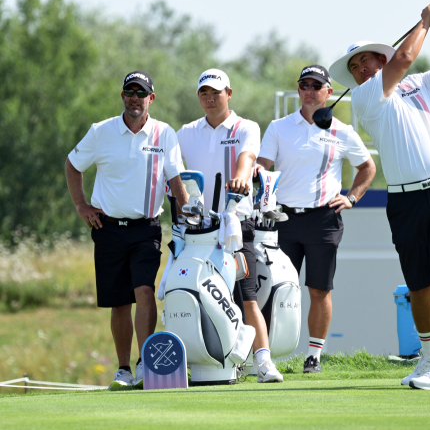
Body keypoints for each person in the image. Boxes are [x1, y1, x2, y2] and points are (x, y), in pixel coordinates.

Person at [329, 2, 430, 390]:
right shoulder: (364, 99)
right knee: (418, 287)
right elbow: (407, 55)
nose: (360, 71)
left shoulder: (421, 83)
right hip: (406, 200)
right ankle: (427, 359)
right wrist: (425, 22)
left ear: (382, 58)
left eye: (365, 62)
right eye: (354, 68)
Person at [65, 71, 189, 390]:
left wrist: (187, 211)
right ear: (123, 96)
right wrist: (81, 206)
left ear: (151, 98)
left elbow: (176, 179)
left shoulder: (165, 134)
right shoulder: (101, 132)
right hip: (107, 228)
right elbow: (73, 164)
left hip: (145, 229)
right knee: (120, 302)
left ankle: (146, 364)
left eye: (141, 93)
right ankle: (123, 369)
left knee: (144, 292)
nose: (135, 98)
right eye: (129, 92)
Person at [256, 65, 376, 373]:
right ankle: (264, 356)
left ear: (328, 92)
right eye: (304, 85)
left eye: (316, 85)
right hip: (282, 219)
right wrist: (260, 177)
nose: (309, 90)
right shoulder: (279, 127)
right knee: (274, 287)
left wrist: (351, 197)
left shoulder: (342, 131)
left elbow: (367, 168)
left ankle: (314, 355)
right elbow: (263, 164)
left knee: (319, 289)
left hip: (324, 218)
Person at [176, 69, 283, 383]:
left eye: (216, 93)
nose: (210, 99)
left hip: (236, 223)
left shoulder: (245, 126)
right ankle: (201, 359)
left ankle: (263, 362)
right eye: (204, 93)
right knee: (195, 291)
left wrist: (240, 176)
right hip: (197, 229)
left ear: (229, 94)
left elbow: (247, 159)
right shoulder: (185, 132)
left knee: (246, 295)